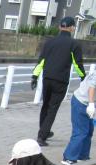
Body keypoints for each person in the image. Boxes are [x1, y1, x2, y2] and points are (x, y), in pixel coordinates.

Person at [32, 16, 85, 147]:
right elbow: (77, 64)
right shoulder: (74, 44)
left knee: (45, 105)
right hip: (60, 80)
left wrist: (35, 76)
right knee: (52, 108)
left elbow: (41, 61)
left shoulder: (49, 42)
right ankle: (41, 137)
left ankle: (44, 130)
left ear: (60, 27)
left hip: (47, 78)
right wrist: (83, 77)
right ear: (72, 27)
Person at [61, 70, 96, 165]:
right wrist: (91, 105)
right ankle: (68, 158)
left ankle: (82, 155)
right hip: (81, 102)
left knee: (89, 130)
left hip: (89, 103)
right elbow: (92, 88)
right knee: (80, 131)